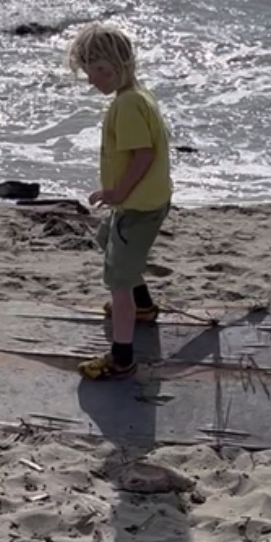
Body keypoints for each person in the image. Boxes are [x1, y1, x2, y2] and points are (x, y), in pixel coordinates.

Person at [65, 20, 172, 381]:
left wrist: (117, 193)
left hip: (137, 205)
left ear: (112, 67)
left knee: (118, 281)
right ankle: (142, 307)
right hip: (143, 202)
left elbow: (142, 154)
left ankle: (122, 357)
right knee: (106, 239)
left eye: (95, 72)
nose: (91, 81)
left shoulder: (126, 106)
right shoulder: (139, 95)